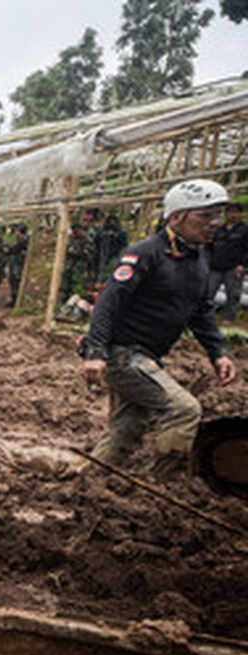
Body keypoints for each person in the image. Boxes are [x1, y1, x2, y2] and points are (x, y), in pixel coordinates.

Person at [80, 179, 237, 479]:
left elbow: (201, 310)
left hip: (147, 357)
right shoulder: (145, 253)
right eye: (205, 216)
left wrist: (218, 352)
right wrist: (96, 351)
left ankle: (89, 482)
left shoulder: (201, 257)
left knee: (128, 426)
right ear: (177, 216)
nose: (214, 223)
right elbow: (108, 303)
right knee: (184, 409)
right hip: (123, 354)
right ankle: (167, 486)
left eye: (217, 215)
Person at [210, 201, 246, 324]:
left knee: (233, 294)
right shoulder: (219, 229)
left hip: (234, 267)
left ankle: (229, 318)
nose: (232, 215)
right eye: (230, 212)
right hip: (216, 266)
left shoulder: (244, 230)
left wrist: (243, 265)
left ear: (241, 214)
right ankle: (206, 315)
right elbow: (210, 246)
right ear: (225, 214)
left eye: (236, 212)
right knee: (208, 292)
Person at [5, 225, 29, 307]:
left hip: (18, 264)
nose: (16, 233)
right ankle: (14, 300)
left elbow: (14, 249)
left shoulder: (23, 240)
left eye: (17, 231)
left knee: (15, 281)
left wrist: (9, 249)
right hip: (16, 263)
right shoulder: (20, 240)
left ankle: (15, 300)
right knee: (13, 281)